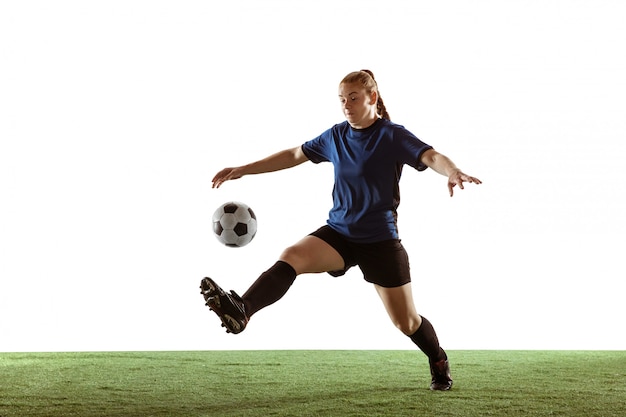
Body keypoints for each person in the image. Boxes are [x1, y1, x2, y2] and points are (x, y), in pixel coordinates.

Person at [201, 69, 481, 391]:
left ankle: (438, 360)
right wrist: (244, 170)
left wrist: (453, 170)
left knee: (407, 322)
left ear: (372, 97)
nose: (346, 105)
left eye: (353, 98)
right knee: (292, 255)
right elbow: (295, 154)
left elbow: (430, 155)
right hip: (340, 234)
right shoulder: (335, 136)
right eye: (342, 99)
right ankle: (243, 311)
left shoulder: (391, 135)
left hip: (380, 242)